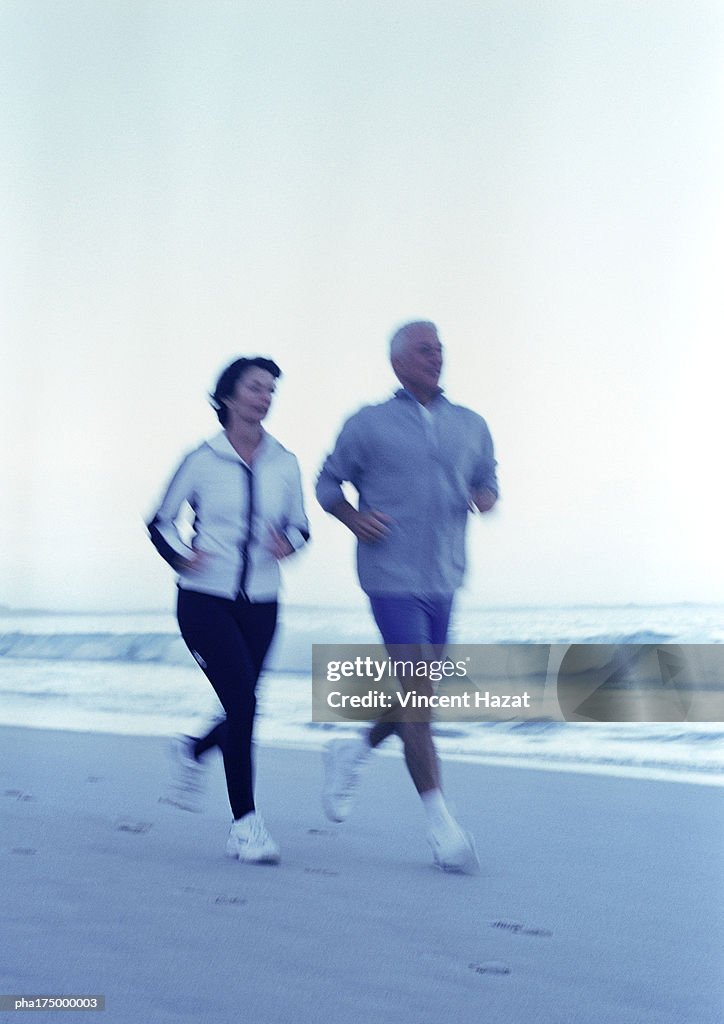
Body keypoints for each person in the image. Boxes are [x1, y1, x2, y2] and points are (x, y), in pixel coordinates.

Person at [316, 321, 498, 873]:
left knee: (417, 696)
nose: (436, 357)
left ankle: (353, 751)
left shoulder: (471, 424)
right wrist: (352, 516)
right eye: (424, 350)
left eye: (440, 348)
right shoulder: (368, 424)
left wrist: (484, 496)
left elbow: (488, 480)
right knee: (420, 701)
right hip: (389, 576)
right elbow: (328, 483)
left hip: (444, 577)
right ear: (397, 361)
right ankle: (442, 826)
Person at [148, 356, 309, 865]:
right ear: (229, 395)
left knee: (244, 704)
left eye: (270, 389)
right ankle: (245, 825)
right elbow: (160, 521)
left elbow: (302, 525)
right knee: (243, 706)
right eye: (255, 387)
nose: (265, 396)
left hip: (262, 604)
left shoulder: (285, 461)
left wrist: (290, 542)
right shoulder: (202, 458)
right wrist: (181, 557)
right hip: (203, 602)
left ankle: (194, 749)